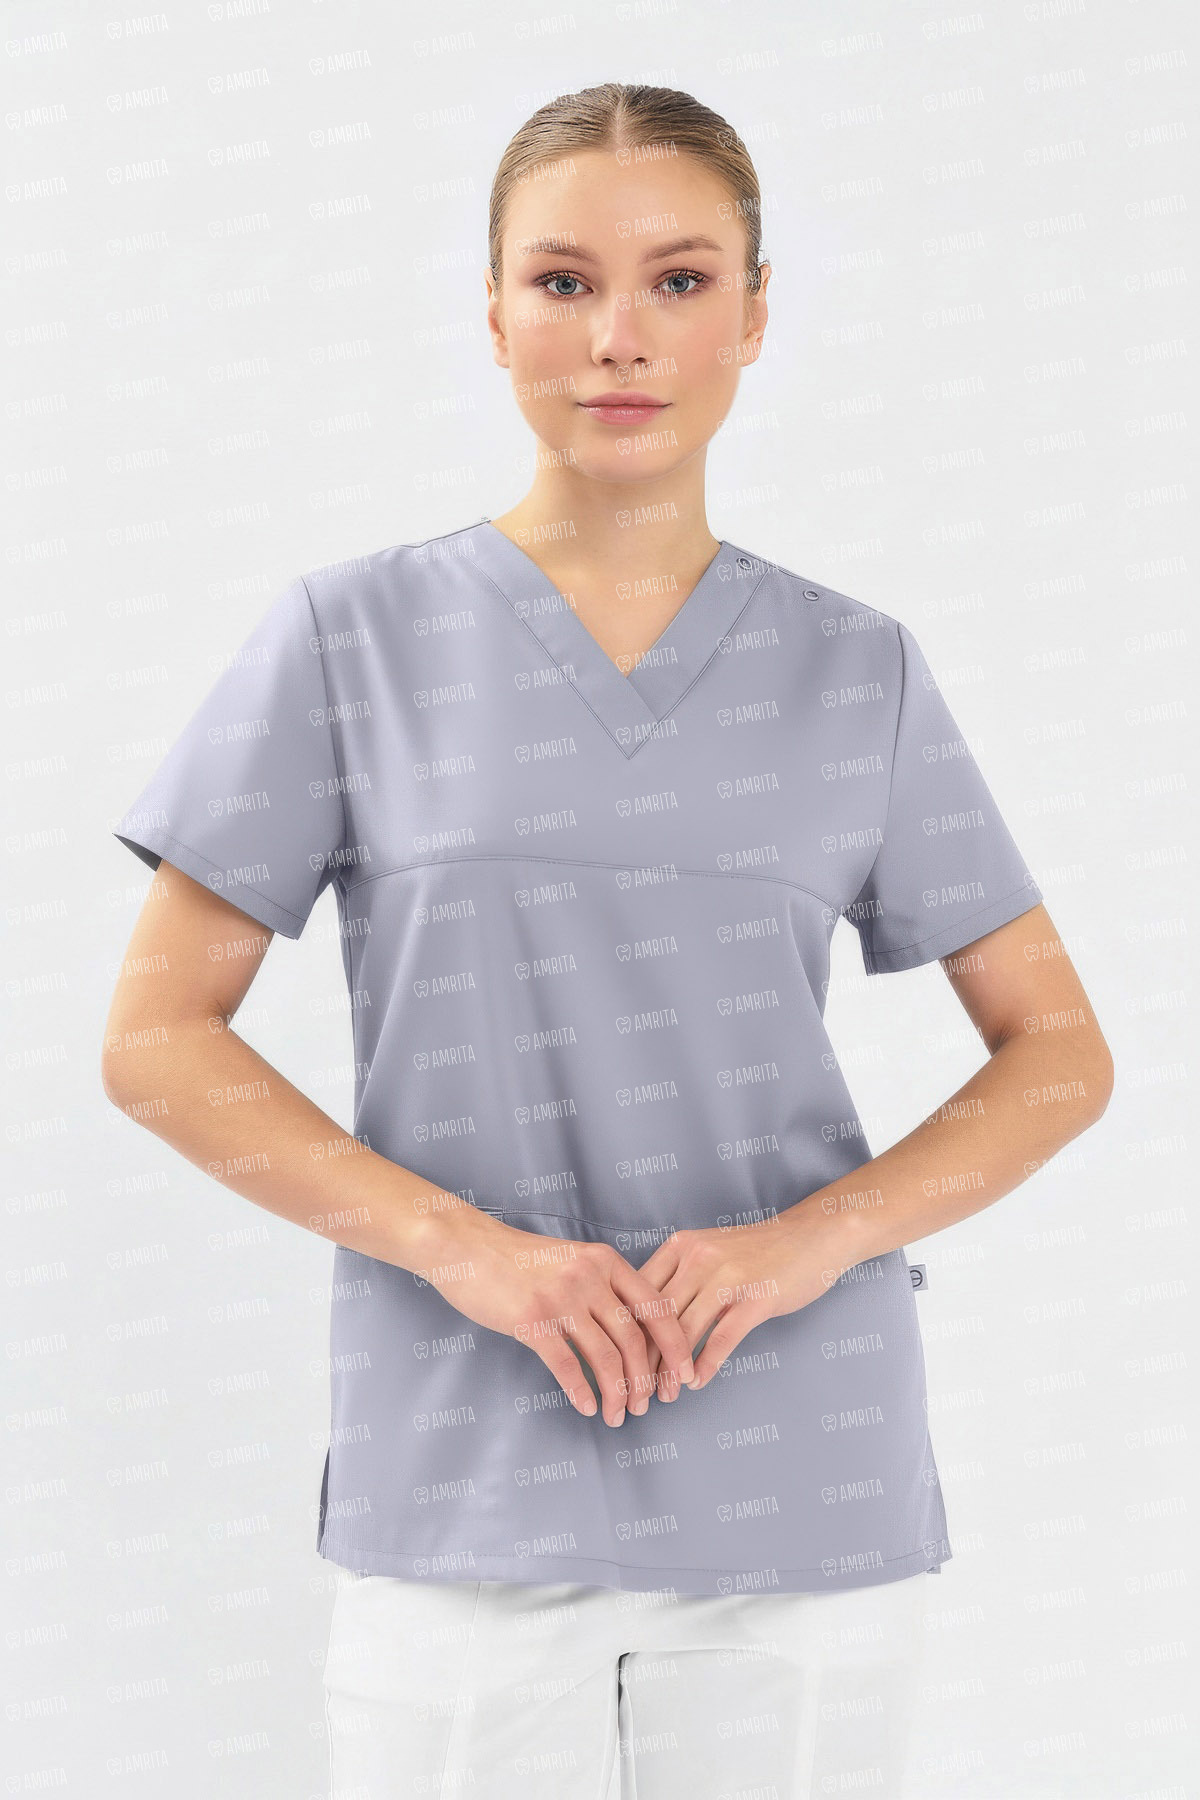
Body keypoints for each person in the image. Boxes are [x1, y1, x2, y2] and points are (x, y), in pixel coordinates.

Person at [102, 81, 1114, 1799]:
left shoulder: (855, 668)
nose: (619, 337)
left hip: (798, 1483)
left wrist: (806, 1247)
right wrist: (463, 1252)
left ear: (755, 317)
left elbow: (1062, 1053)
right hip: (463, 1480)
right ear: (493, 313)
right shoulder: (351, 639)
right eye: (563, 281)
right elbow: (154, 1040)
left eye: (681, 280)